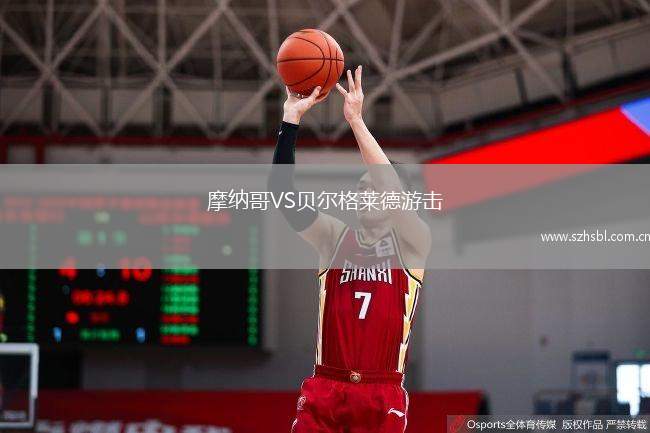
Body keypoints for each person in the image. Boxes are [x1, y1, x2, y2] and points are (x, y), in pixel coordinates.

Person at [270, 65, 431, 433]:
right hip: (326, 388)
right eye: (360, 189)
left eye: (372, 187)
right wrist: (290, 119)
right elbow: (282, 195)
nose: (364, 194)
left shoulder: (413, 243)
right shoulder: (334, 237)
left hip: (381, 394)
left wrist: (356, 121)